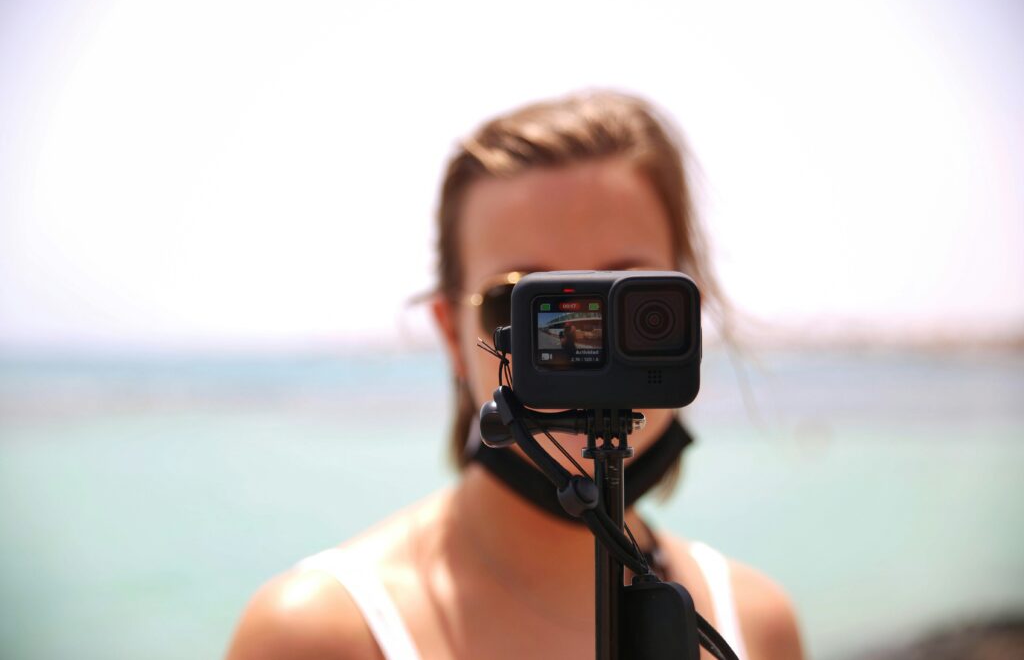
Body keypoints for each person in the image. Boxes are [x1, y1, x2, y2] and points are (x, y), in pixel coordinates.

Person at [226, 91, 804, 659]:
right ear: (453, 332)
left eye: (631, 306)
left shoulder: (755, 624)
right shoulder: (315, 634)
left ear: (684, 319)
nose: (585, 342)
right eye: (524, 303)